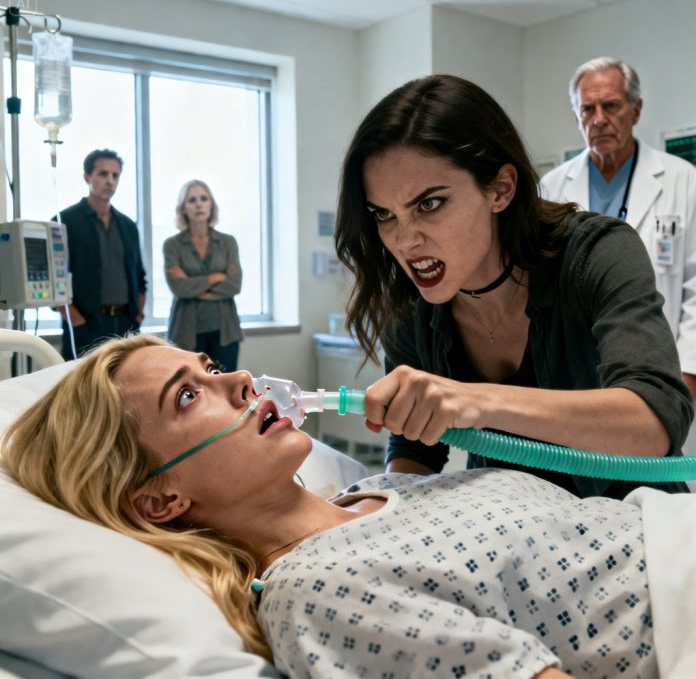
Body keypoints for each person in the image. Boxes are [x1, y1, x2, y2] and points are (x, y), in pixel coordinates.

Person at [1, 333, 688, 678]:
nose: (239, 380)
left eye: (209, 368)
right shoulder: (315, 591)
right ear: (160, 499)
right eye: (187, 396)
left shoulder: (379, 493)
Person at [333, 74, 694, 500]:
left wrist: (477, 401)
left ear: (501, 189)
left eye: (429, 204)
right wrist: (381, 514)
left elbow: (655, 421)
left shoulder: (597, 252)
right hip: (518, 527)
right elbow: (415, 449)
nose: (404, 240)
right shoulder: (411, 303)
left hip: (637, 520)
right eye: (383, 214)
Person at [540, 57, 696, 418]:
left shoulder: (683, 181)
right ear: (577, 117)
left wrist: (688, 369)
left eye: (610, 106)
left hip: (660, 366)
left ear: (636, 110)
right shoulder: (551, 188)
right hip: (574, 372)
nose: (598, 119)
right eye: (587, 109)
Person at [55, 148, 147, 360]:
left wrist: (138, 314)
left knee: (125, 379)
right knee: (84, 381)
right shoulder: (64, 221)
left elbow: (140, 277)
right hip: (85, 325)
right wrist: (75, 319)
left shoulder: (128, 225)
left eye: (115, 175)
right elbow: (55, 280)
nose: (110, 181)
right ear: (87, 177)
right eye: (103, 174)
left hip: (125, 324)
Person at [163, 180, 243, 372]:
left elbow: (234, 284)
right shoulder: (172, 245)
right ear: (183, 208)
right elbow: (179, 288)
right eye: (192, 200)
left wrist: (194, 287)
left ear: (211, 205)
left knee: (225, 384)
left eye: (203, 199)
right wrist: (215, 278)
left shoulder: (228, 242)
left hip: (225, 331)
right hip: (186, 332)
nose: (198, 204)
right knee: (190, 386)